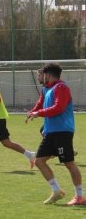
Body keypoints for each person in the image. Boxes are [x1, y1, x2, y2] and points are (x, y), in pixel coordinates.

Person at [26, 63, 85, 205]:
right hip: (51, 132)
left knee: (69, 163)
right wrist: (34, 112)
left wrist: (38, 113)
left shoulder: (61, 88)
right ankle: (56, 191)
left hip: (62, 132)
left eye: (43, 74)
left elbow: (59, 108)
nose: (41, 76)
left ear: (49, 75)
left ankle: (80, 196)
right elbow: (42, 104)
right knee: (39, 161)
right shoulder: (48, 88)